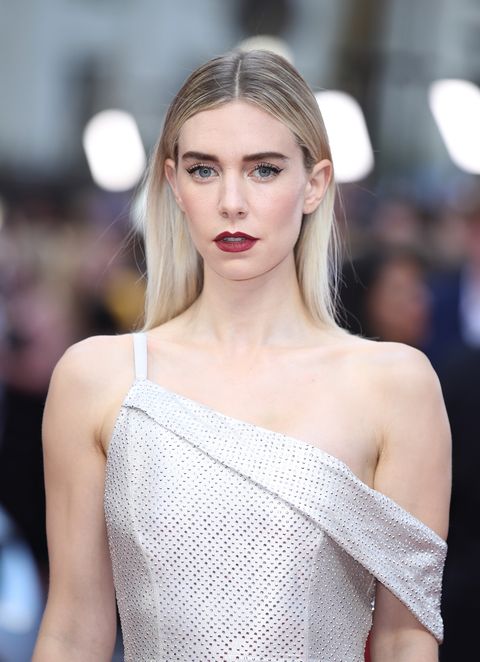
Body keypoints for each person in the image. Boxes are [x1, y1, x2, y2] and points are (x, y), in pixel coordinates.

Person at [32, 49, 451, 662]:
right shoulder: (97, 378)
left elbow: (403, 638)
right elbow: (72, 630)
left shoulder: (393, 385)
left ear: (315, 185)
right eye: (204, 170)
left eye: (264, 170)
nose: (232, 201)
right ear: (173, 184)